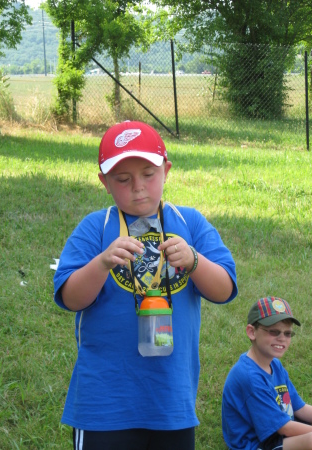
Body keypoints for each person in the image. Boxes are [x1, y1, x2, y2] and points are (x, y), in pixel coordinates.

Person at [54, 120, 238, 450]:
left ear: (166, 170)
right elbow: (70, 298)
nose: (138, 186)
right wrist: (102, 263)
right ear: (104, 182)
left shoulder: (189, 223)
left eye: (149, 174)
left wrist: (194, 260)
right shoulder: (97, 227)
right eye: (123, 179)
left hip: (171, 402)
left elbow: (223, 290)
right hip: (104, 404)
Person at [222, 296, 312, 450]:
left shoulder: (275, 365)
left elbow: (300, 408)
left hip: (278, 433)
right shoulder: (248, 376)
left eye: (288, 333)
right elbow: (284, 428)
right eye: (274, 331)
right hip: (256, 444)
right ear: (252, 332)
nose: (282, 338)